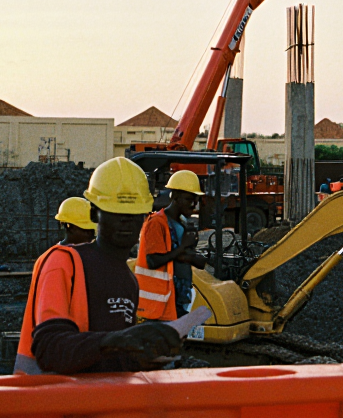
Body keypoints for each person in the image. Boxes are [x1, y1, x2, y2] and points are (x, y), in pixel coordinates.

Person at [14, 157, 181, 375]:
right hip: (50, 403)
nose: (126, 221)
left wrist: (143, 356)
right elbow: (50, 349)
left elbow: (106, 358)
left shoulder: (128, 280)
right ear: (94, 214)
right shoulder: (63, 262)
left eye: (133, 214)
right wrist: (118, 341)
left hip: (97, 402)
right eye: (115, 212)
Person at [136, 170, 206, 321]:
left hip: (177, 298)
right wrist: (182, 249)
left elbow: (188, 259)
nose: (193, 204)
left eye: (196, 199)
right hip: (159, 304)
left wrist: (191, 256)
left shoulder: (181, 224)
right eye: (189, 199)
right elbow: (153, 261)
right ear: (174, 197)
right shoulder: (157, 223)